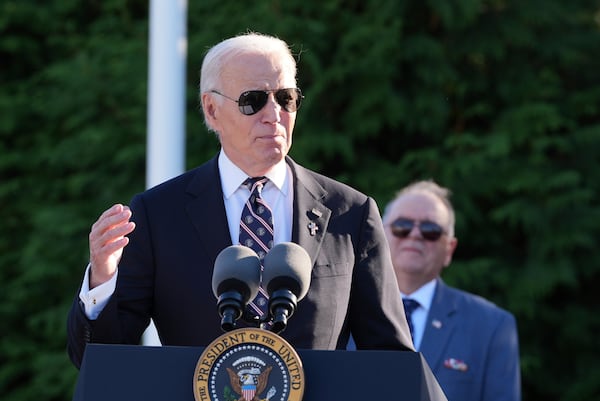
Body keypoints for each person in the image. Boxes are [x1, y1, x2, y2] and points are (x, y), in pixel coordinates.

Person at [66, 32, 414, 368]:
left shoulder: (349, 212)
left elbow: (390, 359)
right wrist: (102, 279)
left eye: (286, 98)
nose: (274, 114)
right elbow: (100, 359)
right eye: (253, 100)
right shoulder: (159, 215)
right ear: (212, 109)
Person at [380, 180, 521, 401]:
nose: (415, 235)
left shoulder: (492, 326)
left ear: (449, 249)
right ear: (381, 236)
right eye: (402, 226)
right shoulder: (345, 315)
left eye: (431, 230)